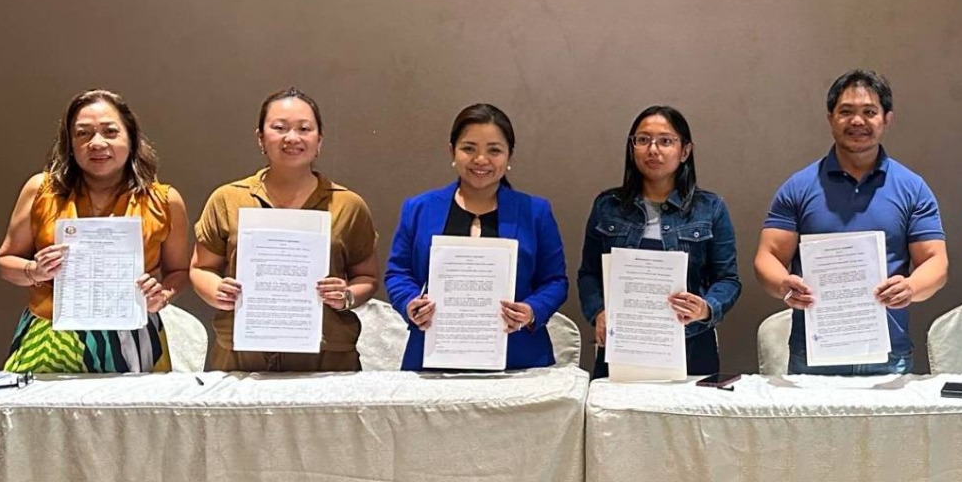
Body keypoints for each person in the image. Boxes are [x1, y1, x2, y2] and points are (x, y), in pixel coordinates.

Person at [754, 70, 948, 375]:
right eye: (846, 112)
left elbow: (936, 263)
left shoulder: (912, 188)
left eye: (869, 112)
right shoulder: (798, 187)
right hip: (814, 356)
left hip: (888, 356)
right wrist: (782, 284)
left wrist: (911, 287)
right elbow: (768, 256)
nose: (857, 121)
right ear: (831, 118)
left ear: (887, 119)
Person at [0, 89, 190, 373]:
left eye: (110, 132)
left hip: (132, 336)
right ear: (70, 143)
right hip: (50, 334)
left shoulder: (164, 200)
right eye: (83, 134)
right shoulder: (40, 190)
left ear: (131, 137)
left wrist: (162, 295)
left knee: (130, 418)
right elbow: (6, 262)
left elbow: (179, 271)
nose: (96, 143)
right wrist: (34, 271)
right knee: (39, 416)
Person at [190, 87, 380, 371]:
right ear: (261, 138)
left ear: (319, 141)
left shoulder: (348, 205)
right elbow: (200, 268)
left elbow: (367, 276)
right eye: (279, 128)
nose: (292, 138)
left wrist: (347, 296)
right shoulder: (228, 199)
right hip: (241, 355)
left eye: (304, 128)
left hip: (326, 356)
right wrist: (217, 290)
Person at [385, 103, 568, 370]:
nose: (481, 159)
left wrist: (531, 311)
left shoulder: (536, 212)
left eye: (494, 150)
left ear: (509, 157)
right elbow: (397, 272)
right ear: (452, 151)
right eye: (469, 148)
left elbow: (555, 281)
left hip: (519, 360)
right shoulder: (419, 208)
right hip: (432, 356)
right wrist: (410, 303)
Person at [578, 105, 741, 378]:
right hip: (622, 345)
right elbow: (589, 274)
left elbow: (728, 280)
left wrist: (706, 308)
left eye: (665, 141)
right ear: (632, 148)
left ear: (685, 151)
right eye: (643, 140)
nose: (653, 150)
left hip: (691, 344)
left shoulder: (710, 208)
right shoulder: (608, 206)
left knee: (687, 419)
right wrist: (598, 313)